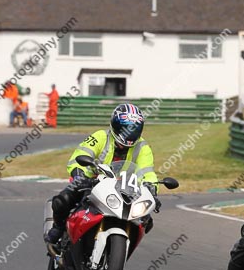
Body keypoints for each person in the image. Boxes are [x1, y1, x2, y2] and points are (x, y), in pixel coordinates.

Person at [44, 103, 160, 249]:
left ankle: (118, 254)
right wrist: (79, 172)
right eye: (124, 128)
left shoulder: (143, 147)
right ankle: (59, 227)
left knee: (146, 220)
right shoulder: (100, 137)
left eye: (134, 129)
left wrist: (152, 189)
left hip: (123, 189)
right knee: (62, 200)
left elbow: (147, 172)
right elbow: (81, 154)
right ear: (114, 125)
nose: (128, 133)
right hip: (90, 181)